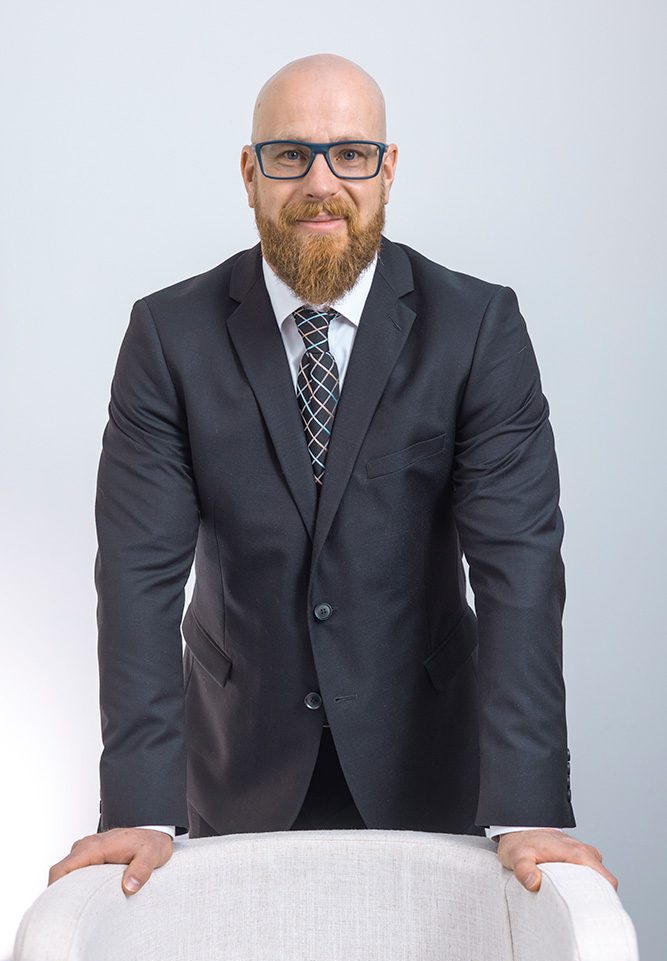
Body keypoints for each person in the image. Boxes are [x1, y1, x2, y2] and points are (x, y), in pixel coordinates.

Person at [49, 53, 618, 899]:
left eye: (350, 154)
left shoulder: (476, 328)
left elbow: (518, 567)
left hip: (429, 764)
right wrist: (138, 808)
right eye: (290, 155)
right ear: (250, 174)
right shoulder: (168, 337)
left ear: (387, 171)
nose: (321, 184)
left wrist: (528, 808)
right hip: (236, 766)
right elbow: (137, 573)